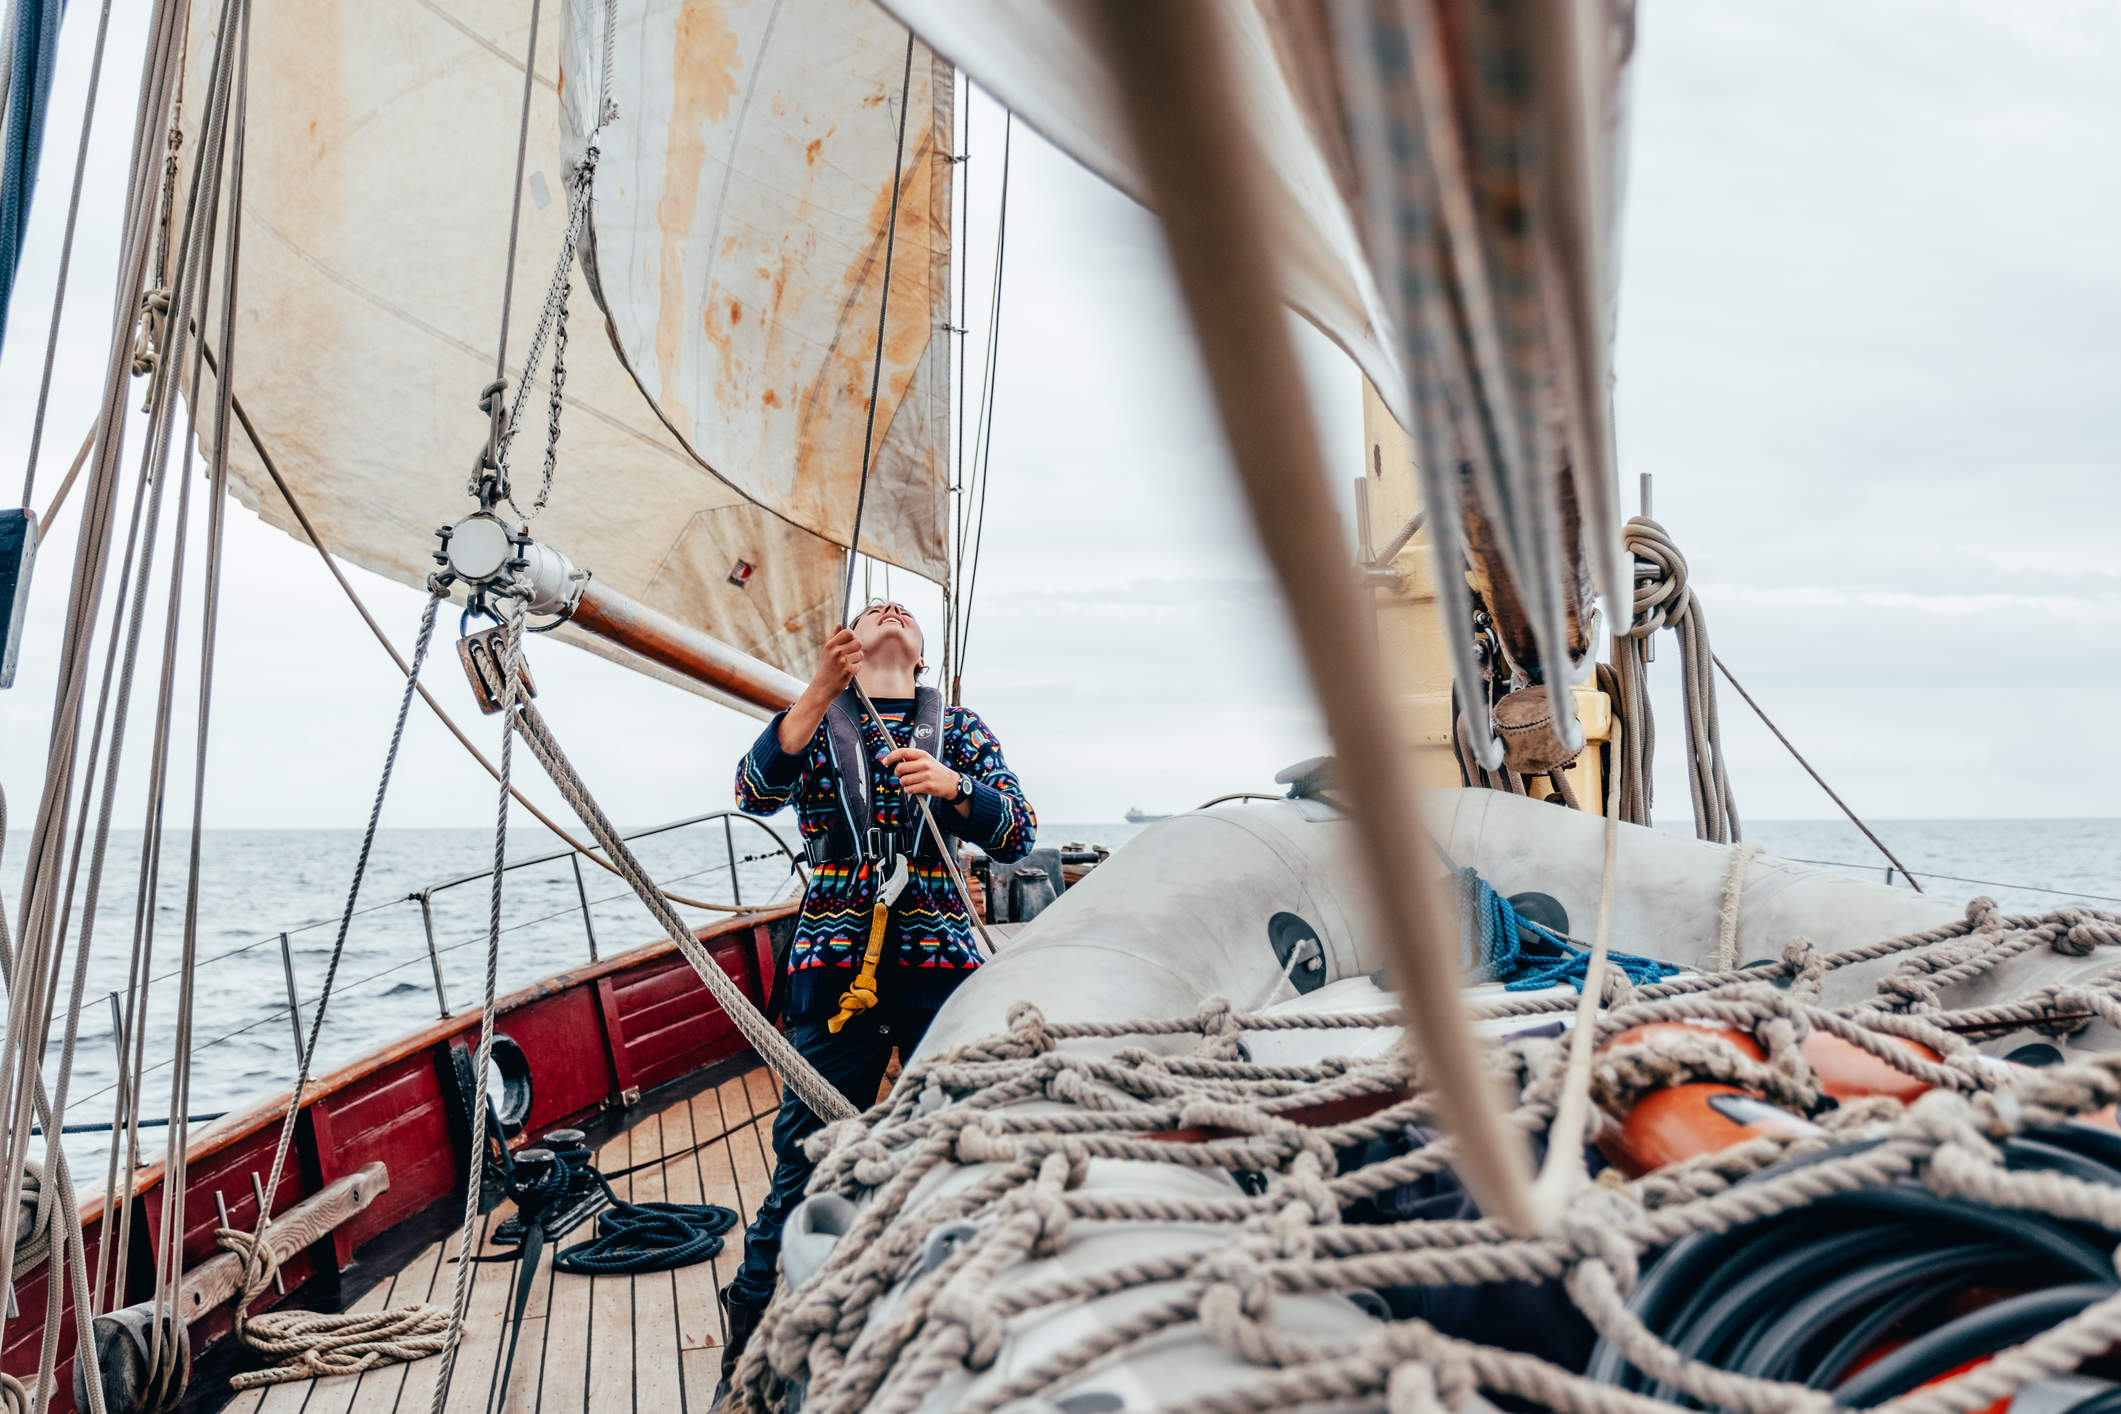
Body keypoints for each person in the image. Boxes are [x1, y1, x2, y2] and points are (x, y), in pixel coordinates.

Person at [715, 599, 1036, 1398]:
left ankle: (962, 1319)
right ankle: (748, 1325)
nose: (890, 611)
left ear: (920, 657)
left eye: (902, 614)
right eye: (871, 610)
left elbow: (1017, 832)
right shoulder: (815, 718)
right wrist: (819, 689)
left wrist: (957, 787)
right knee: (802, 1154)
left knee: (958, 1137)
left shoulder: (959, 728)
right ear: (849, 646)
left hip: (941, 958)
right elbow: (753, 792)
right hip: (834, 962)